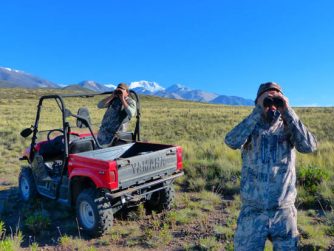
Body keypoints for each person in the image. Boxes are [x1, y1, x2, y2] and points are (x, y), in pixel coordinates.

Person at [224, 82, 317, 250]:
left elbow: (309, 147)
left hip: (283, 211)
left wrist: (288, 111)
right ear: (258, 101)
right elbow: (231, 141)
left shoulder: (289, 127)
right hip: (253, 211)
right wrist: (258, 111)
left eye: (276, 99)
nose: (272, 105)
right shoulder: (251, 127)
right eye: (267, 99)